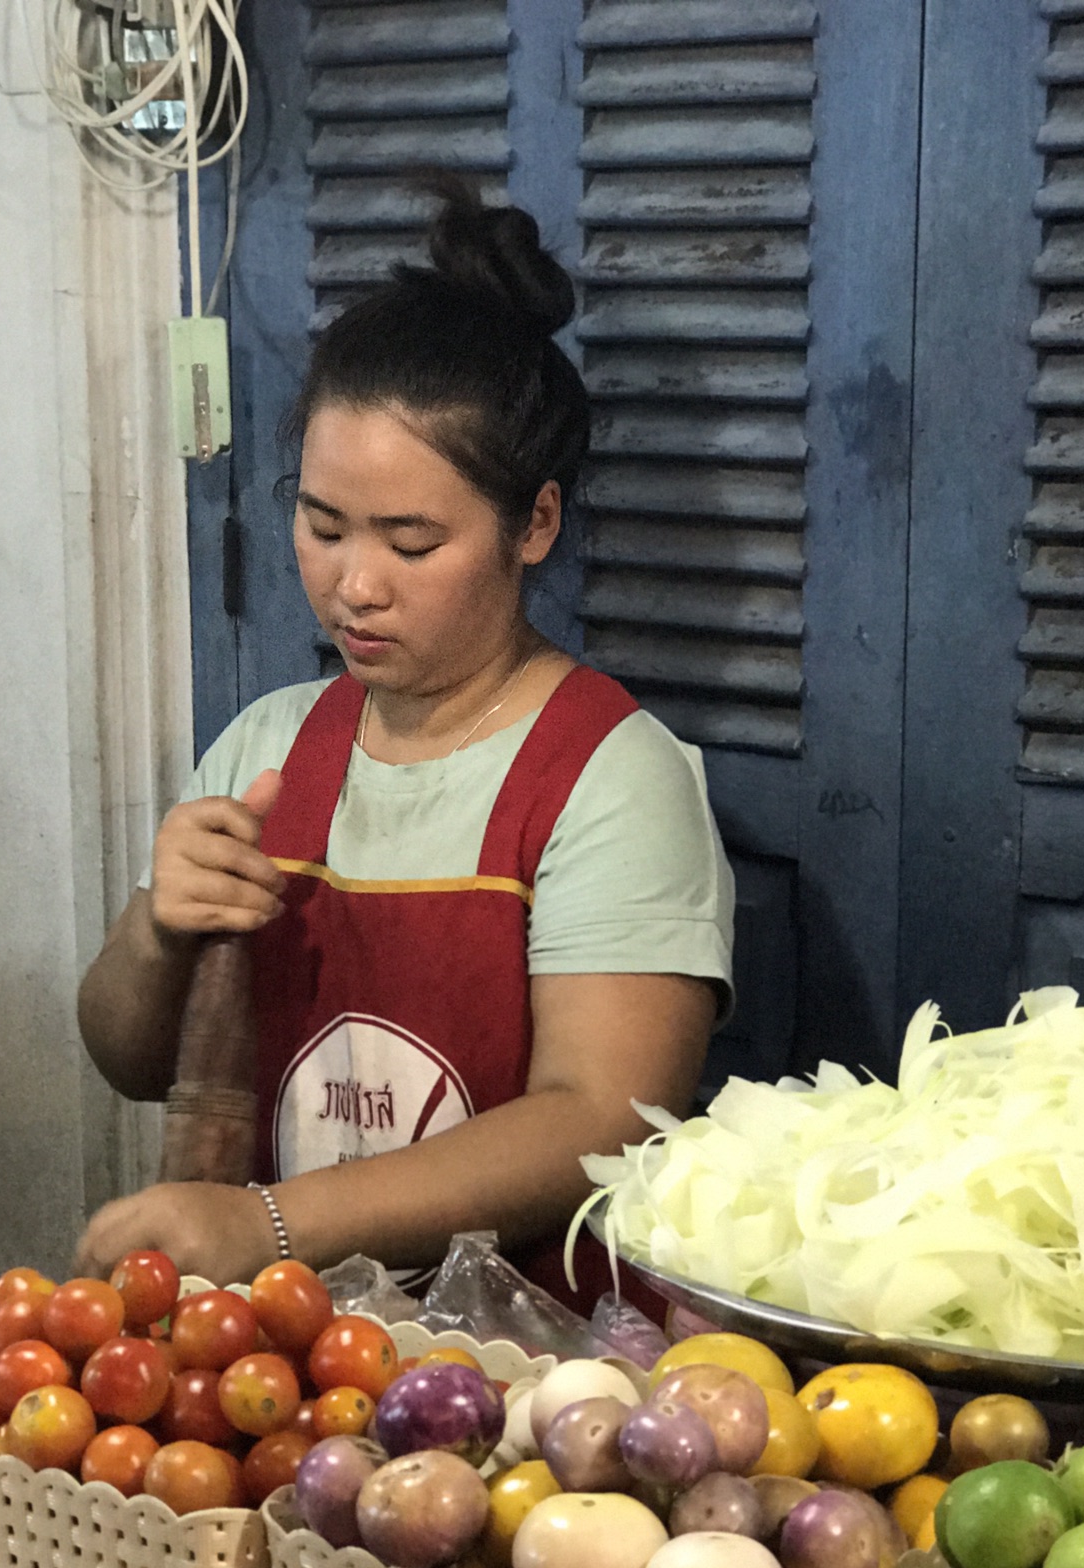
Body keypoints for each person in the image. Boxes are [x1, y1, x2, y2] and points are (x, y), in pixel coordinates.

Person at [75, 179, 734, 1308]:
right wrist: (157, 928)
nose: (354, 585)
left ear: (534, 524)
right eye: (322, 526)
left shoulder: (608, 774)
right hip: (281, 1360)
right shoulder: (272, 744)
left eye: (412, 542)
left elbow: (600, 1119)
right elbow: (133, 1059)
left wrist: (269, 1224)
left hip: (526, 1366)